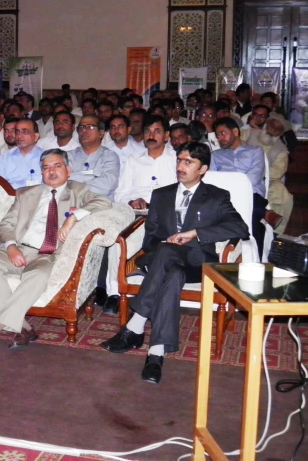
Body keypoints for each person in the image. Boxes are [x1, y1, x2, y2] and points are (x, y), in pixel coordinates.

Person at [100, 142, 249, 384]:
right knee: (172, 273)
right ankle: (155, 353)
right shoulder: (161, 195)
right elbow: (149, 238)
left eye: (188, 162)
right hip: (163, 259)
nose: (181, 166)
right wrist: (164, 249)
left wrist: (194, 233)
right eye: (179, 160)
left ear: (203, 169)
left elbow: (240, 228)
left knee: (172, 259)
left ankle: (136, 325)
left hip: (198, 262)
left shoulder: (216, 196)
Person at [0, 148, 111, 349]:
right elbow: (4, 226)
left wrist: (73, 217)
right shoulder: (26, 194)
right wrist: (11, 247)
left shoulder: (78, 191)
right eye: (46, 168)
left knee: (38, 276)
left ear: (68, 169)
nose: (51, 171)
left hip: (47, 254)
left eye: (57, 166)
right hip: (18, 247)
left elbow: (104, 201)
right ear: (41, 173)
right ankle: (24, 328)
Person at [211, 117, 267, 257]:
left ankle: (254, 263)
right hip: (224, 197)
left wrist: (229, 184)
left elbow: (252, 179)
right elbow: (212, 180)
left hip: (251, 195)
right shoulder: (215, 155)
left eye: (223, 133)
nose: (220, 138)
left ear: (235, 131)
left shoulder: (255, 151)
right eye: (218, 135)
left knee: (252, 219)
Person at [114, 114, 177, 208]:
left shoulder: (176, 159)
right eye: (147, 131)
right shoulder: (133, 160)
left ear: (166, 135)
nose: (151, 136)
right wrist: (131, 202)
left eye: (157, 131)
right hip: (136, 213)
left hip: (165, 210)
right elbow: (120, 194)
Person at [67, 115, 120, 198]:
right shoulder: (68, 155)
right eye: (81, 127)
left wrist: (74, 176)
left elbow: (107, 185)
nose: (84, 130)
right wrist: (94, 174)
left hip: (101, 206)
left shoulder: (109, 156)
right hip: (72, 205)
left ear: (101, 133)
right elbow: (62, 182)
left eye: (89, 127)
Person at [0, 119, 44, 189]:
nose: (19, 136)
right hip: (10, 197)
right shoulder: (4, 158)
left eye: (25, 132)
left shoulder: (46, 157)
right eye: (17, 132)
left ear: (36, 136)